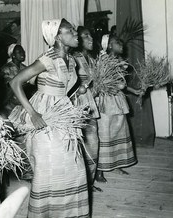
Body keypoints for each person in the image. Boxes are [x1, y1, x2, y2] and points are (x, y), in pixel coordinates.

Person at [9, 19, 89, 217]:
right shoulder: (48, 58)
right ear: (58, 37)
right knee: (49, 169)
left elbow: (63, 87)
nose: (75, 33)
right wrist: (33, 113)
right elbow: (15, 82)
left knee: (72, 165)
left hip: (63, 113)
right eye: (70, 31)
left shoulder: (71, 60)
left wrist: (77, 92)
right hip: (46, 115)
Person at [95, 36, 138, 182]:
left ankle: (115, 164)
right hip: (105, 101)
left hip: (117, 101)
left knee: (118, 132)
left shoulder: (120, 62)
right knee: (105, 133)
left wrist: (134, 91)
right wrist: (110, 87)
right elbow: (98, 82)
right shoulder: (102, 60)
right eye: (117, 42)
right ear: (109, 45)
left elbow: (121, 84)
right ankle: (99, 171)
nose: (121, 44)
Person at [72, 26, 100, 192]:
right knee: (81, 143)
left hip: (88, 103)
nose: (90, 39)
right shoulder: (74, 58)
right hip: (77, 104)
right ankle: (81, 185)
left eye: (90, 35)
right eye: (85, 36)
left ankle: (88, 183)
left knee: (92, 142)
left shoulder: (89, 57)